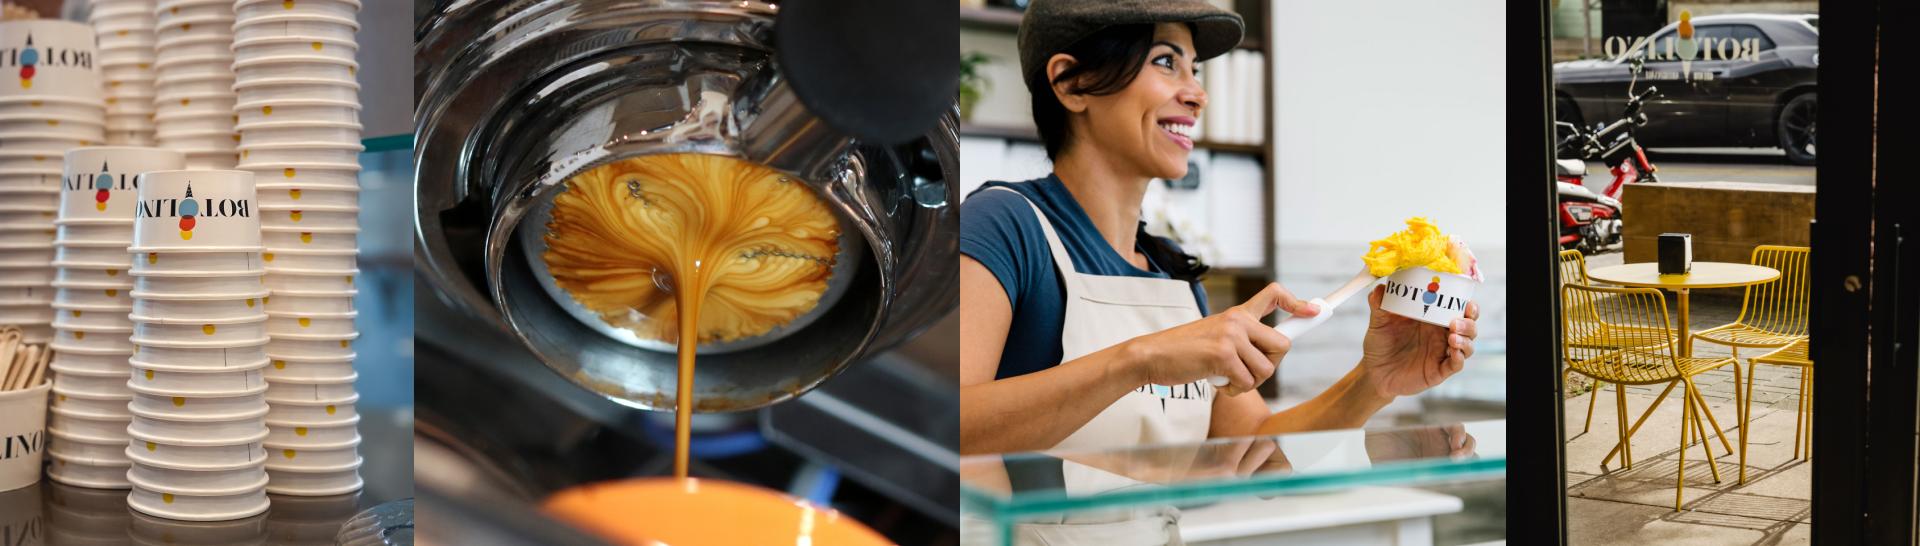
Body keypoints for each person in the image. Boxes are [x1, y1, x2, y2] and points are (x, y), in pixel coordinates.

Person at [959, 0, 1481, 458]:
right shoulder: (1004, 226)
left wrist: (1375, 381)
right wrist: (1141, 359)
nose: (1196, 95)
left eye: (1196, 70)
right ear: (1071, 82)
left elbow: (1255, 450)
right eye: (1166, 62)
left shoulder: (1174, 275)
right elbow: (946, 424)